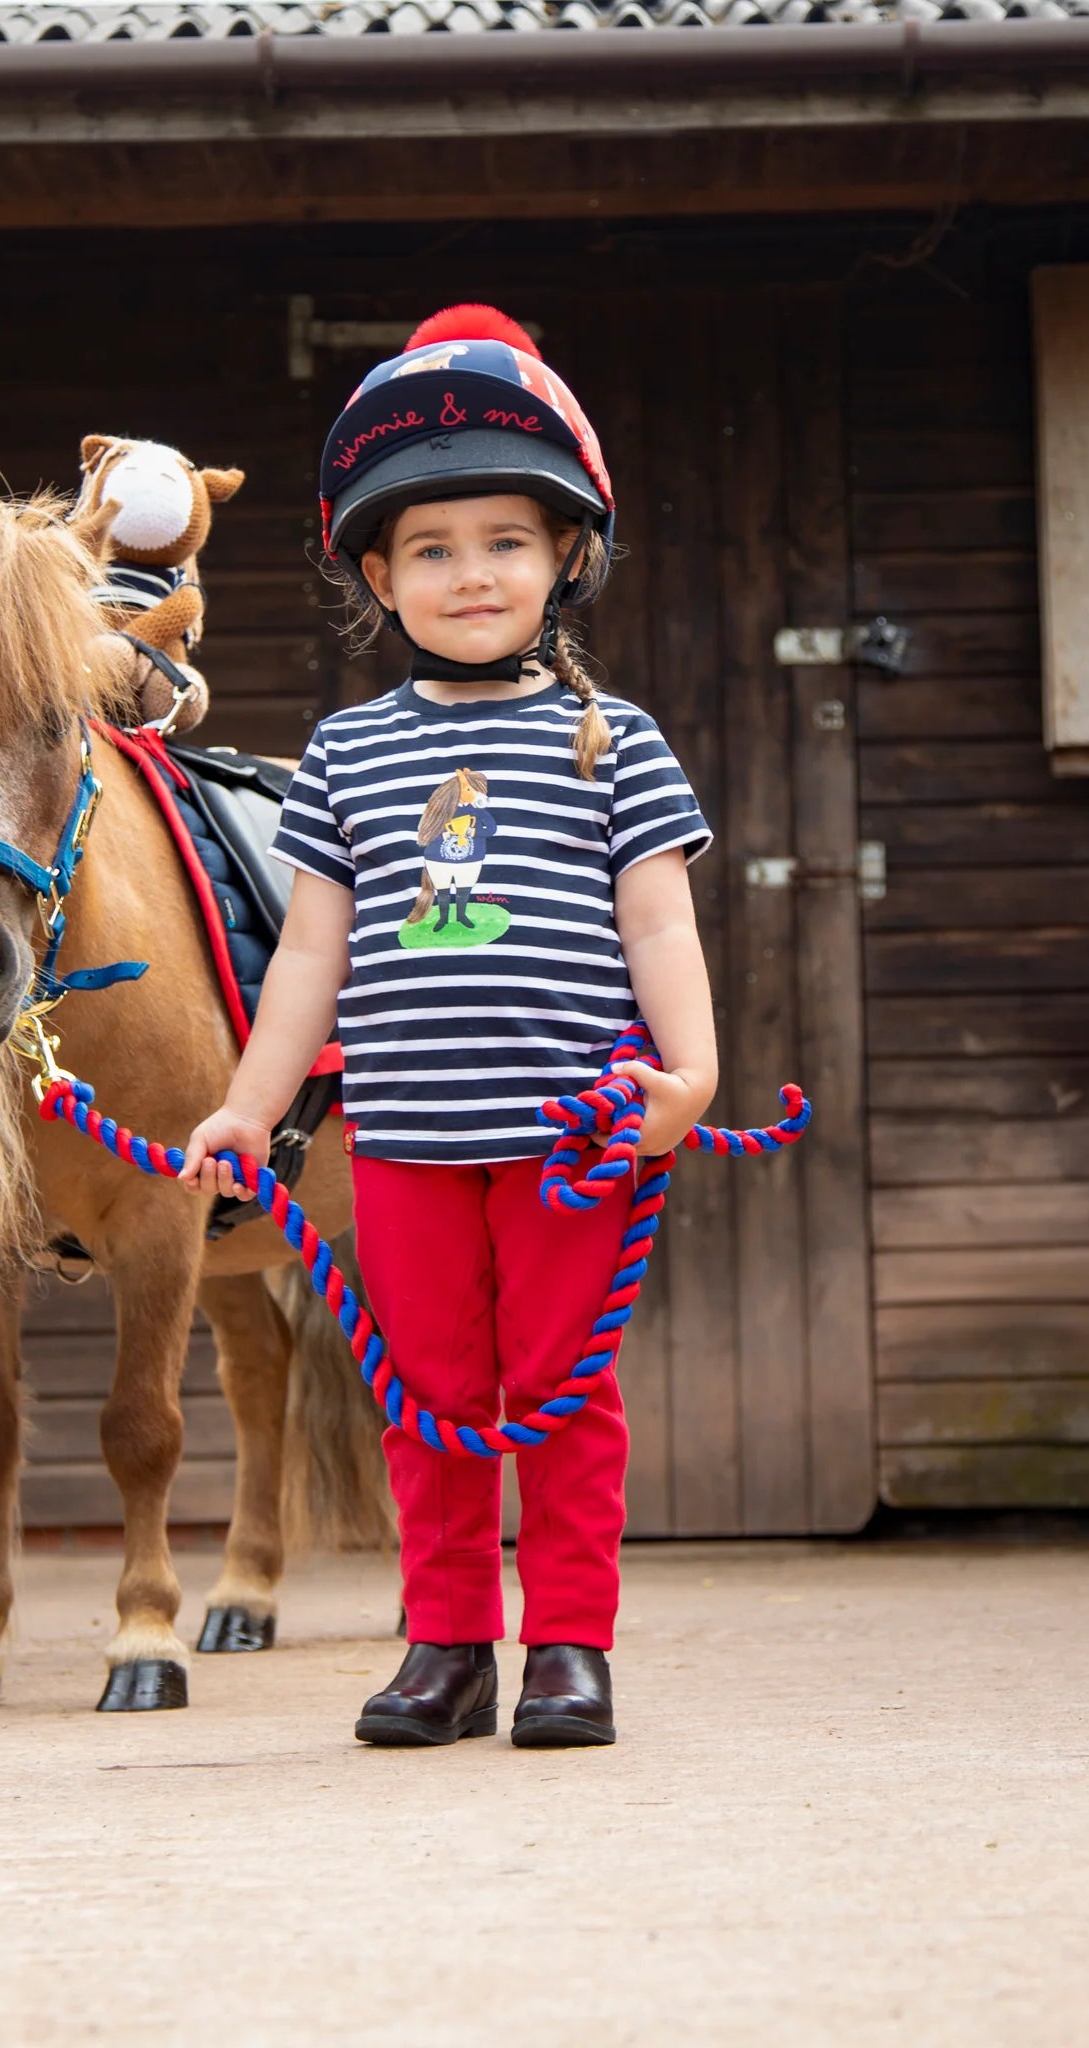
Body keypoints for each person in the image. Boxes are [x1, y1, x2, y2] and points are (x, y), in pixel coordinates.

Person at [179, 305, 717, 1749]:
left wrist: (692, 1071)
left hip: (569, 1137)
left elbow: (658, 923)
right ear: (377, 572)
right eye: (430, 547)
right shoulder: (351, 753)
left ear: (564, 560)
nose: (470, 573)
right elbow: (309, 950)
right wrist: (249, 1104)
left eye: (503, 541)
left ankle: (569, 1647)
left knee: (561, 1391)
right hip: (405, 1137)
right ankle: (448, 1643)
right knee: (427, 1398)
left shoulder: (617, 741)